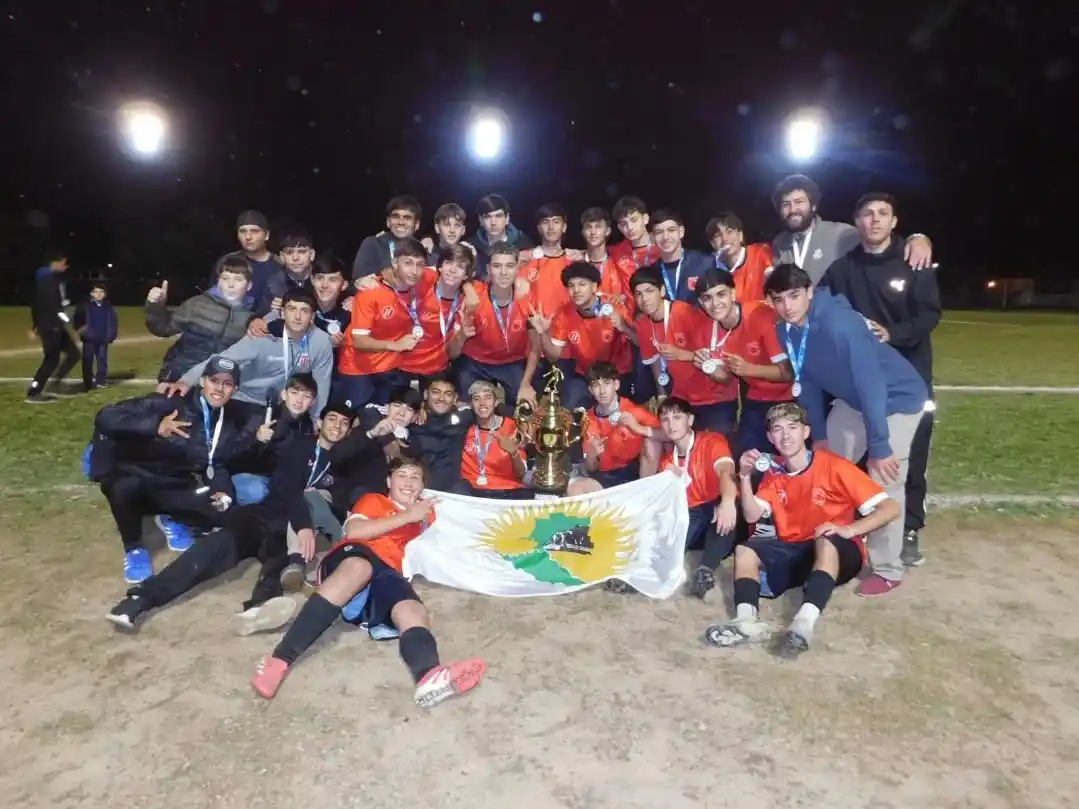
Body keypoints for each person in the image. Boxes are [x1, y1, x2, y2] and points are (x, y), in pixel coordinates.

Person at [251, 456, 487, 709]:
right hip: (353, 555)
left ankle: (429, 675)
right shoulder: (375, 500)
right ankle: (279, 660)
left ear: (422, 487)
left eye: (415, 477)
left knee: (412, 609)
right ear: (389, 482)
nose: (408, 482)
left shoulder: (427, 516)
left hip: (388, 571)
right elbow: (355, 531)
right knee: (359, 567)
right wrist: (407, 516)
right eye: (402, 476)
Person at [104, 403, 357, 636]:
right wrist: (304, 525)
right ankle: (139, 599)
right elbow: (290, 488)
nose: (337, 425)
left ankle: (258, 609)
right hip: (263, 515)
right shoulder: (300, 446)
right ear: (319, 422)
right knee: (211, 550)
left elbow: (339, 506)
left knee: (278, 567)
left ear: (349, 431)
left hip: (286, 532)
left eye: (344, 422)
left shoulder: (346, 466)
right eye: (332, 418)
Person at [765, 263, 927, 597]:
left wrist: (879, 445)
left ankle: (887, 568)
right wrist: (819, 435)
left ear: (809, 291)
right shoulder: (787, 330)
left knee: (884, 477)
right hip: (854, 400)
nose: (787, 306)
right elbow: (807, 383)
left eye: (794, 296)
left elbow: (872, 384)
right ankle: (830, 544)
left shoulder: (840, 324)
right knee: (823, 467)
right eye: (778, 299)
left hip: (896, 398)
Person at [704, 403, 901, 657]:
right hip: (796, 548)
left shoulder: (834, 466)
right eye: (778, 429)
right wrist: (744, 476)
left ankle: (803, 625)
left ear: (806, 432)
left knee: (825, 538)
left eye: (793, 427)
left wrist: (851, 530)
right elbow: (752, 514)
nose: (785, 436)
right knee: (745, 551)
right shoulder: (774, 473)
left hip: (838, 551)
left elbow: (890, 508)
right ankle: (747, 621)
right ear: (770, 437)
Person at [818, 192, 942, 567]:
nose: (874, 220)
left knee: (908, 459)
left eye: (882, 213)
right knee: (858, 457)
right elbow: (819, 304)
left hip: (910, 381)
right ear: (856, 222)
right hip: (862, 382)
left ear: (894, 221)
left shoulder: (913, 259)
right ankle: (858, 530)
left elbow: (929, 314)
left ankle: (909, 529)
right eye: (866, 214)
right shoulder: (843, 269)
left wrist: (892, 334)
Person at [90, 356, 255, 582]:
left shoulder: (226, 422)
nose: (219, 388)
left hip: (172, 482)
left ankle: (168, 515)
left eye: (227, 384)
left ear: (234, 390)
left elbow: (216, 463)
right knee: (123, 487)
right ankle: (134, 548)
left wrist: (222, 493)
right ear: (202, 381)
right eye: (214, 381)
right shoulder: (172, 401)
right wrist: (154, 426)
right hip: (135, 473)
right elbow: (106, 417)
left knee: (219, 512)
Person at [174, 289, 334, 422]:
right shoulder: (262, 335)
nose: (298, 317)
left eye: (304, 311)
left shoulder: (321, 342)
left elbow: (322, 382)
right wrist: (187, 380)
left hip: (283, 406)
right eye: (292, 309)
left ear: (312, 317)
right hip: (245, 399)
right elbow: (223, 359)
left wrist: (315, 418)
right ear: (282, 313)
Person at [692, 269, 793, 452]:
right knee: (746, 456)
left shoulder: (760, 315)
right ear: (701, 303)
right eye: (707, 298)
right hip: (755, 397)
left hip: (788, 397)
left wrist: (748, 369)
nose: (715, 304)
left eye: (721, 294)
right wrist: (710, 370)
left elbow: (787, 373)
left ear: (733, 293)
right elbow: (727, 378)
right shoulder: (710, 328)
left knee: (785, 452)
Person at [770, 175, 934, 284]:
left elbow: (880, 238)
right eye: (786, 204)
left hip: (830, 323)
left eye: (799, 202)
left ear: (813, 205)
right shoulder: (779, 243)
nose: (793, 209)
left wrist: (917, 238)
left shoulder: (839, 234)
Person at [654, 397, 739, 600]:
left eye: (677, 417)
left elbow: (726, 472)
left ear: (690, 420)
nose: (671, 424)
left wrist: (727, 502)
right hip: (693, 517)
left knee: (726, 506)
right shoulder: (667, 462)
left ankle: (705, 571)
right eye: (665, 419)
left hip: (720, 511)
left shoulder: (712, 441)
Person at [631, 268, 734, 432]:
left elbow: (716, 353)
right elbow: (654, 361)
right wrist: (662, 394)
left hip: (715, 397)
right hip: (682, 399)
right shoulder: (643, 324)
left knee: (717, 445)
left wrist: (681, 355)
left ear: (662, 291)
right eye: (638, 294)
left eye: (649, 291)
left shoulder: (686, 313)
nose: (645, 299)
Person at [338, 237, 429, 407]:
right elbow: (359, 341)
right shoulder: (370, 291)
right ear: (394, 263)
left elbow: (451, 273)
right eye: (408, 263)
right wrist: (396, 345)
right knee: (362, 418)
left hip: (393, 366)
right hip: (360, 368)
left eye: (420, 264)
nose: (414, 270)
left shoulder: (421, 285)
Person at [531, 261, 634, 409]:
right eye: (571, 286)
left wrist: (624, 327)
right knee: (570, 406)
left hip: (615, 374)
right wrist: (542, 333)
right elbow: (553, 356)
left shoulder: (615, 307)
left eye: (582, 284)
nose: (576, 290)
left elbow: (640, 342)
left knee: (617, 413)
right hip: (585, 374)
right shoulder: (564, 313)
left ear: (594, 287)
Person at [455, 241, 542, 408]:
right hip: (475, 362)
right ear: (488, 269)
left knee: (525, 406)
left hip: (511, 363)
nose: (503, 272)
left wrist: (525, 384)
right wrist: (466, 286)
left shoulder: (527, 297)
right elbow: (448, 276)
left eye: (509, 266)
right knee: (465, 410)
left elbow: (535, 348)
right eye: (497, 266)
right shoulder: (474, 293)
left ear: (517, 269)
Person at [146, 255, 255, 389]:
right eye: (225, 278)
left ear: (249, 285)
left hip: (218, 385)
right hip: (179, 377)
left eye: (238, 279)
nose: (230, 284)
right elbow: (162, 329)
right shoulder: (196, 304)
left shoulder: (251, 318)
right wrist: (156, 306)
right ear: (218, 281)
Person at [230, 372, 318, 507]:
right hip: (251, 477)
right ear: (284, 394)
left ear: (312, 402)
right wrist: (256, 439)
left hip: (279, 483)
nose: (299, 400)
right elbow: (232, 456)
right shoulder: (265, 416)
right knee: (258, 491)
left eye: (306, 396)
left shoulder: (307, 427)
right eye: (294, 393)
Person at [573, 362, 660, 490]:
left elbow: (666, 435)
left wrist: (638, 428)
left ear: (616, 385)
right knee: (575, 489)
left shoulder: (633, 411)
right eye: (596, 385)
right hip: (604, 479)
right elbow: (591, 468)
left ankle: (646, 493)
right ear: (591, 390)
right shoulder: (588, 420)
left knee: (652, 441)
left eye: (607, 383)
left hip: (636, 476)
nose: (602, 391)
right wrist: (591, 456)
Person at [399, 243, 474, 387]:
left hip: (437, 369)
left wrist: (461, 336)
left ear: (466, 274)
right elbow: (395, 274)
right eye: (448, 263)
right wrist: (370, 280)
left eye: (460, 266)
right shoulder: (424, 279)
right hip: (402, 365)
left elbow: (452, 354)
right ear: (439, 267)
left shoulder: (466, 304)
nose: (452, 270)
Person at [26, 247, 80, 403]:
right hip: (51, 327)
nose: (65, 267)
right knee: (51, 359)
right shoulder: (47, 280)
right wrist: (65, 320)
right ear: (55, 262)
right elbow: (51, 306)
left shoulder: (51, 279)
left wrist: (36, 325)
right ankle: (34, 391)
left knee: (74, 354)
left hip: (54, 325)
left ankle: (55, 384)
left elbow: (36, 304)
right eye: (64, 263)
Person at [457, 381, 529, 498]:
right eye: (476, 398)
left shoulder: (511, 426)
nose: (482, 403)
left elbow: (521, 473)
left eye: (487, 397)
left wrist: (513, 453)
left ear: (495, 402)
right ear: (471, 404)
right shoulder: (463, 427)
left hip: (507, 491)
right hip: (472, 492)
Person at [407, 375, 474, 492]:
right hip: (423, 491)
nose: (441, 398)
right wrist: (418, 408)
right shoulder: (413, 422)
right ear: (426, 394)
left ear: (455, 398)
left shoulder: (465, 418)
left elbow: (492, 407)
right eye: (436, 392)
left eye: (448, 394)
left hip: (456, 492)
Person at [213, 210, 286, 317]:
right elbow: (213, 299)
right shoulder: (226, 261)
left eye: (254, 231)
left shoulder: (281, 265)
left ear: (266, 235)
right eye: (242, 231)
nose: (248, 237)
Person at [520, 203, 583, 317]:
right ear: (539, 228)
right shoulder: (525, 259)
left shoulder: (575, 261)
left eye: (556, 222)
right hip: (534, 325)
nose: (551, 227)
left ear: (564, 227)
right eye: (545, 222)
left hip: (568, 325)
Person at [705, 212, 774, 303]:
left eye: (729, 231)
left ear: (740, 235)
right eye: (718, 235)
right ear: (713, 244)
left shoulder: (761, 252)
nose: (725, 239)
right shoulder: (712, 270)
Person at [647, 209, 711, 304]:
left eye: (671, 230)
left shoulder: (704, 262)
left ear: (681, 232)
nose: (665, 237)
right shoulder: (651, 273)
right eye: (659, 232)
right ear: (652, 237)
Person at [351, 195, 423, 280]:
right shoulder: (372, 243)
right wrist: (381, 273)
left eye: (407, 218)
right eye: (396, 216)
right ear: (388, 222)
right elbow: (358, 274)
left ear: (417, 224)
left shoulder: (421, 249)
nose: (401, 222)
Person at [471, 193, 534, 280]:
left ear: (507, 218)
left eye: (498, 216)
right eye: (488, 217)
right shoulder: (472, 247)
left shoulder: (524, 245)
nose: (493, 222)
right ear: (480, 220)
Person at [74, 282, 118, 391]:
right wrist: (82, 331)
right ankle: (87, 383)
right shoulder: (86, 306)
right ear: (91, 293)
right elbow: (77, 320)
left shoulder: (108, 307)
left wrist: (111, 335)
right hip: (89, 339)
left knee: (102, 361)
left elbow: (113, 322)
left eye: (101, 292)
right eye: (96, 292)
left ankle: (101, 380)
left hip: (103, 338)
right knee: (88, 361)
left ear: (105, 294)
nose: (98, 294)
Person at [610, 196, 659, 281]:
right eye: (624, 224)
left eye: (634, 220)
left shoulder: (662, 246)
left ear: (645, 219)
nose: (630, 227)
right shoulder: (617, 253)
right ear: (619, 228)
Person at [425, 202, 474, 267]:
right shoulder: (426, 255)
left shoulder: (470, 256)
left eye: (457, 225)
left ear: (463, 230)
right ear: (437, 228)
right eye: (447, 225)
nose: (452, 230)